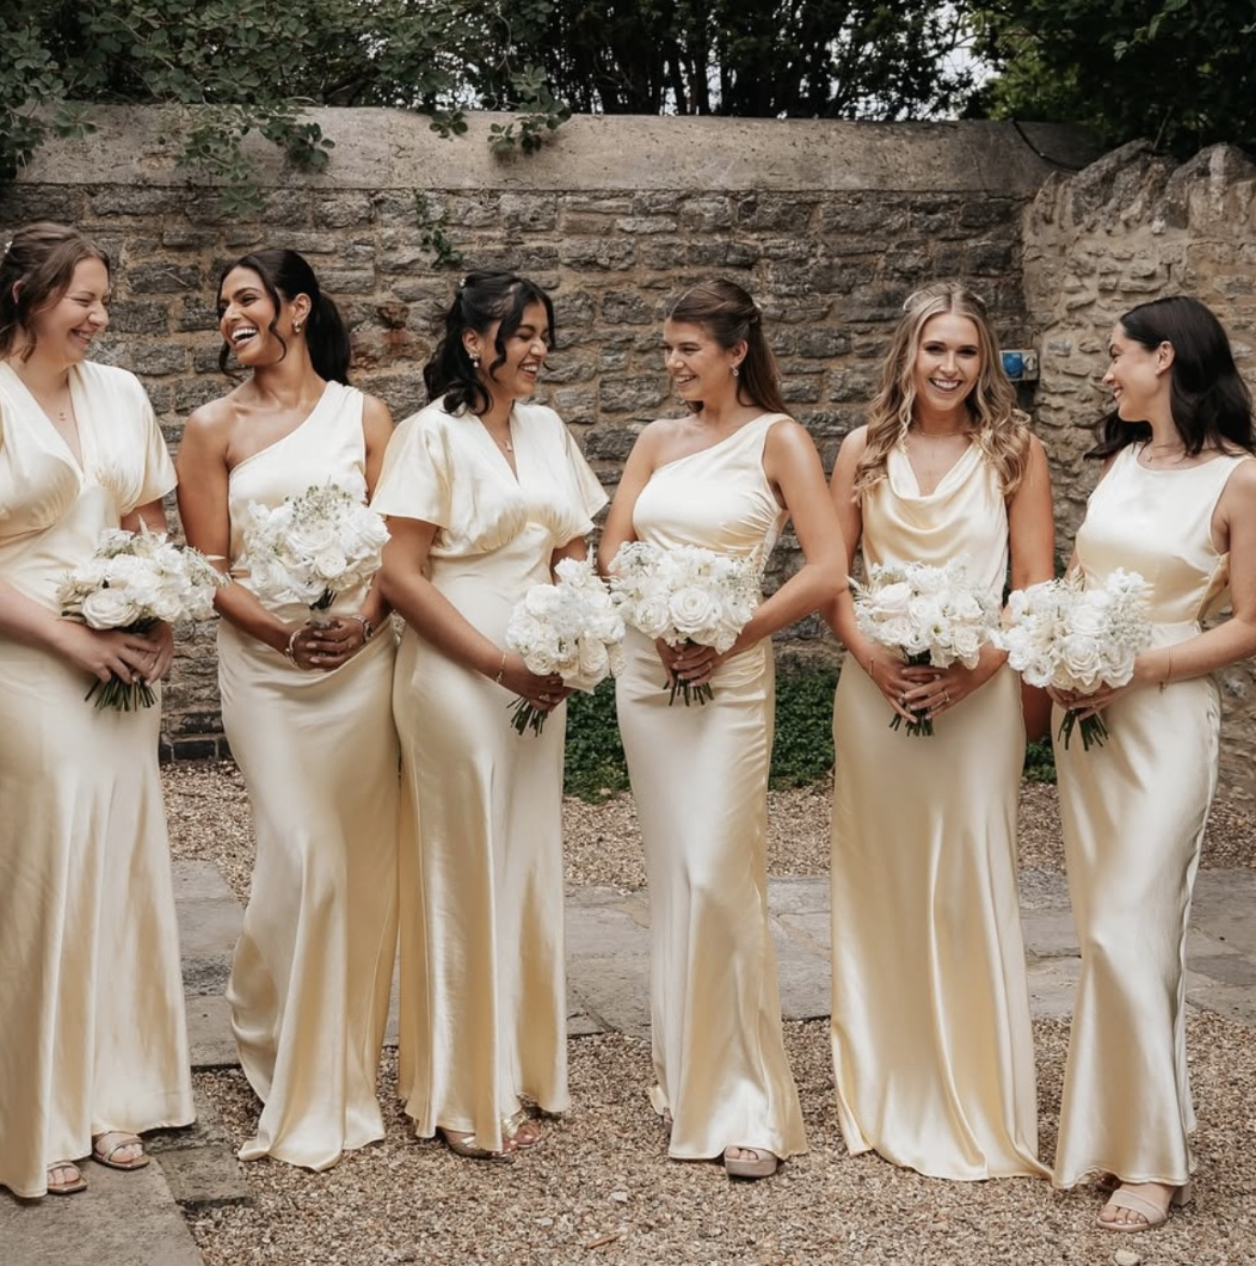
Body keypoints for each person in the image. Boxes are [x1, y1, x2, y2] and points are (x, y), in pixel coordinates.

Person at [598, 278, 843, 1179]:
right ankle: (689, 1073)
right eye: (667, 348)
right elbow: (614, 545)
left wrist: (731, 629)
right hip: (648, 672)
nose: (672, 363)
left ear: (737, 352)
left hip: (733, 677)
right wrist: (658, 611)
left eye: (688, 349)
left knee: (718, 873)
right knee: (673, 876)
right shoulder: (655, 440)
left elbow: (826, 569)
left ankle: (749, 1102)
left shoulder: (778, 439)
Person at [375, 271, 607, 1161]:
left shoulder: (549, 428)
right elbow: (399, 576)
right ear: (476, 341)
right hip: (456, 670)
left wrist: (568, 635)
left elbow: (573, 546)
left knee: (521, 858)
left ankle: (521, 1065)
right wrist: (497, 661)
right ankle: (459, 1087)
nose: (539, 350)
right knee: (463, 861)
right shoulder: (426, 435)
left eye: (546, 333)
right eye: (525, 334)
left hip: (537, 675)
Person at [826, 281, 1055, 1180]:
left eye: (966, 351)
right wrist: (877, 662)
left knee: (968, 879)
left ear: (984, 359)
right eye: (935, 349)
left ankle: (976, 1091)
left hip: (979, 698)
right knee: (880, 880)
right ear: (907, 355)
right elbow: (830, 578)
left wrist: (979, 668)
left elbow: (1032, 582)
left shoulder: (1014, 451)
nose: (950, 367)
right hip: (874, 695)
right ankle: (885, 1082)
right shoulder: (863, 449)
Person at [176, 249, 399, 1170]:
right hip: (265, 673)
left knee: (340, 864)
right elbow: (207, 569)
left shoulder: (366, 416)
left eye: (244, 298)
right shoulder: (209, 427)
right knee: (306, 852)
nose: (229, 315)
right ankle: (293, 1057)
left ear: (295, 309)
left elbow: (399, 550)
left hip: (358, 667)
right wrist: (280, 634)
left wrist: (361, 621)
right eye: (221, 304)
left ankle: (294, 1028)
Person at [1049, 296, 1256, 1230]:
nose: (1105, 374)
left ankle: (1156, 1162)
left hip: (1166, 718)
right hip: (1088, 720)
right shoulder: (1123, 461)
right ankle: (1109, 1135)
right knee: (1101, 931)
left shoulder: (1241, 481)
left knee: (1137, 924)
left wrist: (1141, 666)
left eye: (1115, 356)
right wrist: (1058, 645)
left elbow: (1250, 626)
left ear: (1165, 357)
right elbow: (1083, 581)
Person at [0, 222, 194, 1199]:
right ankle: (32, 1113)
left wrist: (157, 618)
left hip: (122, 660)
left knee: (119, 868)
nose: (100, 316)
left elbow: (146, 521)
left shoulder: (119, 392)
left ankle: (114, 1095)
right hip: (26, 660)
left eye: (104, 301)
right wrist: (72, 638)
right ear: (32, 296)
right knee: (46, 876)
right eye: (83, 299)